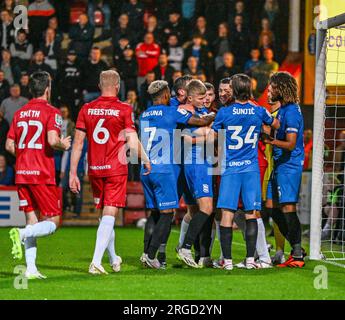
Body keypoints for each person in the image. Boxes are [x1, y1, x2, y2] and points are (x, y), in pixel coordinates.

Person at [69, 70, 151, 274]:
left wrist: (72, 173)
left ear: (99, 85)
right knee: (110, 213)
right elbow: (131, 141)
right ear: (117, 86)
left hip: (94, 169)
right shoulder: (124, 109)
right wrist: (146, 159)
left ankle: (114, 258)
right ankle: (96, 261)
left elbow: (78, 144)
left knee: (105, 215)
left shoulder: (86, 108)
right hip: (115, 168)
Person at [140, 80, 215, 269]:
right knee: (167, 214)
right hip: (166, 167)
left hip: (146, 167)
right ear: (166, 95)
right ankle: (158, 254)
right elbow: (201, 122)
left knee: (156, 213)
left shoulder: (144, 114)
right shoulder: (172, 111)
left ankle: (149, 253)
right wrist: (215, 115)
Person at [208, 73, 279, 270]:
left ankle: (227, 261)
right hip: (251, 169)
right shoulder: (258, 110)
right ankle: (250, 260)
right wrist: (263, 133)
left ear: (234, 90)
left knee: (227, 215)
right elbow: (276, 124)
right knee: (251, 214)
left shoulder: (224, 112)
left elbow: (213, 136)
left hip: (231, 169)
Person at [6, 71, 71, 279]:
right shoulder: (53, 112)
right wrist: (64, 144)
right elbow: (53, 140)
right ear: (47, 89)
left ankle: (31, 269)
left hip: (22, 172)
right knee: (53, 221)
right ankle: (21, 234)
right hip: (41, 173)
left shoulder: (19, 113)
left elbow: (9, 145)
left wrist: (25, 155)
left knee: (31, 219)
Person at [265, 71, 305, 267]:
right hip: (279, 164)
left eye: (271, 87)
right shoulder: (283, 109)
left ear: (280, 88)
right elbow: (276, 129)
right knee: (271, 207)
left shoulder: (291, 112)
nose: (269, 90)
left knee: (288, 207)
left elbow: (290, 143)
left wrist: (270, 140)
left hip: (289, 165)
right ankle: (296, 246)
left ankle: (297, 255)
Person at [176, 80, 217, 268]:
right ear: (190, 97)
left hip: (205, 163)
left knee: (199, 211)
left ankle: (198, 253)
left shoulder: (202, 113)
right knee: (206, 208)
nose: (204, 100)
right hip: (196, 164)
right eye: (201, 98)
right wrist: (205, 134)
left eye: (206, 97)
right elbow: (184, 139)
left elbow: (212, 134)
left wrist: (203, 134)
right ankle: (184, 247)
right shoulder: (185, 112)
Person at [57, 49, 82, 122]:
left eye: (73, 55)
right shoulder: (62, 66)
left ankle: (72, 128)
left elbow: (81, 81)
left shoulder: (79, 66)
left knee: (74, 111)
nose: (72, 57)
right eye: (70, 55)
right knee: (64, 111)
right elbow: (58, 80)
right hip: (64, 92)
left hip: (75, 93)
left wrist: (78, 93)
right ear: (67, 56)